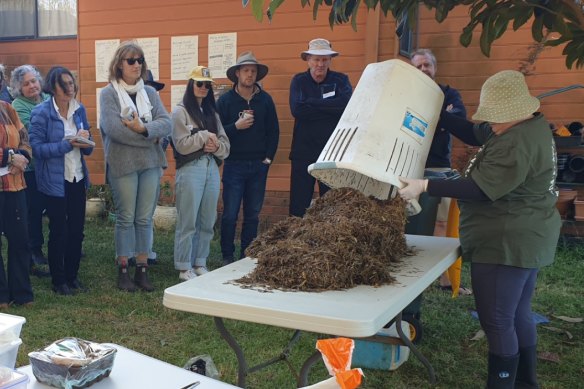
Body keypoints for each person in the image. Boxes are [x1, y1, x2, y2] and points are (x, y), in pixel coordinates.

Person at [398, 70, 560, 388]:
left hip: (506, 240)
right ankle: (526, 383)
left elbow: (480, 190)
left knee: (498, 320)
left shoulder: (516, 143)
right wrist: (440, 118)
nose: (492, 125)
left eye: (496, 119)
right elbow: (476, 133)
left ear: (514, 113)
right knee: (518, 314)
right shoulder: (528, 124)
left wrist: (424, 184)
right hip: (530, 235)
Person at [99, 41, 171, 292]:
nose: (137, 64)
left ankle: (141, 269)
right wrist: (149, 137)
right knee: (126, 218)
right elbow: (114, 130)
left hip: (151, 164)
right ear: (119, 64)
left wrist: (142, 129)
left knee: (144, 218)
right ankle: (123, 270)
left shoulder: (150, 93)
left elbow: (167, 124)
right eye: (131, 60)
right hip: (123, 164)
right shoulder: (108, 94)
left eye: (140, 60)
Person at [410, 48, 471, 295]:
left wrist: (431, 119)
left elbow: (459, 121)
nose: (423, 70)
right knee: (410, 222)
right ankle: (413, 273)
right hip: (410, 166)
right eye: (418, 66)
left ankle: (443, 278)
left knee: (441, 223)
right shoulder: (405, 93)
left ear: (435, 68)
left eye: (427, 65)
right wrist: (441, 118)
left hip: (439, 167)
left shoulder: (448, 94)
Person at [29, 66, 94, 296]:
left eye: (72, 83)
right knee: (59, 230)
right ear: (53, 88)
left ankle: (72, 276)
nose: (70, 88)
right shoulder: (42, 112)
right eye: (64, 84)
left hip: (77, 176)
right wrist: (68, 144)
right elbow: (36, 149)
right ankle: (59, 281)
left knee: (77, 230)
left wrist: (85, 142)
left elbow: (88, 144)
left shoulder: (79, 110)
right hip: (54, 181)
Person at [217, 52, 279, 264]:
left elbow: (274, 131)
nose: (250, 75)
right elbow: (217, 132)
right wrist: (236, 126)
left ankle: (247, 254)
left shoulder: (265, 100)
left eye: (253, 71)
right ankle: (227, 255)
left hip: (258, 165)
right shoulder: (225, 101)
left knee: (252, 214)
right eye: (246, 71)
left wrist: (268, 159)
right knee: (230, 214)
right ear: (237, 74)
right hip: (234, 164)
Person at [171, 66, 230, 281]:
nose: (204, 88)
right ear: (190, 85)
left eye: (207, 84)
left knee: (207, 219)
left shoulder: (212, 113)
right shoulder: (180, 112)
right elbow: (181, 145)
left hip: (211, 168)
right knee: (188, 219)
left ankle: (200, 262)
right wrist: (204, 136)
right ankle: (183, 265)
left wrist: (215, 147)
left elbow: (226, 145)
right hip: (190, 169)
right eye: (199, 83)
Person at [288, 38, 352, 217]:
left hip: (332, 153)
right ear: (308, 60)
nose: (320, 64)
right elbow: (297, 110)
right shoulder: (299, 81)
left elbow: (346, 106)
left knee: (332, 204)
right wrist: (330, 106)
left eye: (324, 59)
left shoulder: (340, 80)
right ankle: (295, 242)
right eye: (316, 59)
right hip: (303, 153)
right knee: (298, 205)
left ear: (330, 60)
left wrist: (311, 102)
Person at [11, 64, 52, 277]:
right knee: (34, 212)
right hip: (31, 169)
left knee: (50, 209)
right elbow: (33, 133)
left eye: (34, 80)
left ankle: (49, 248)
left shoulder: (47, 98)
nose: (32, 86)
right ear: (19, 88)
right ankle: (35, 251)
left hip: (50, 166)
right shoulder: (18, 105)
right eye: (26, 83)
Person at [0, 101, 34, 307]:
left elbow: (25, 137)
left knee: (20, 239)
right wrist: (10, 157)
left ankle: (21, 292)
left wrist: (23, 156)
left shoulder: (6, 107)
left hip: (14, 184)